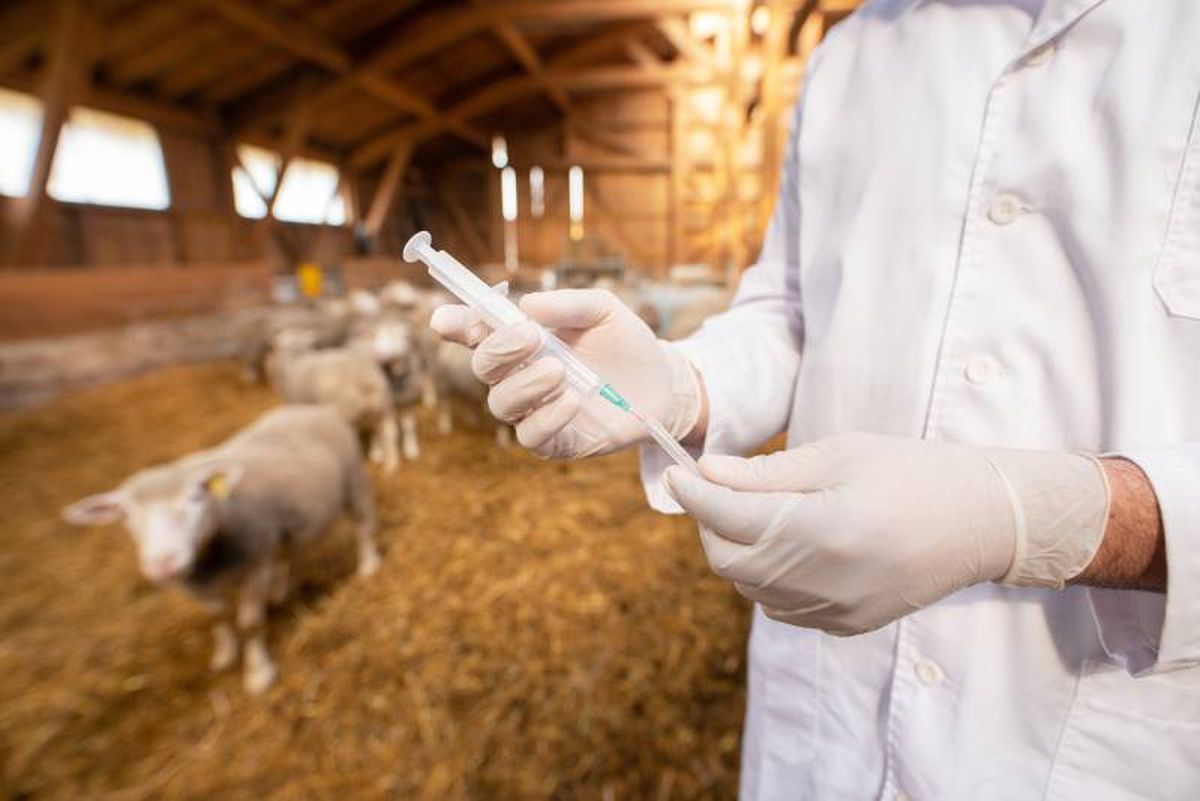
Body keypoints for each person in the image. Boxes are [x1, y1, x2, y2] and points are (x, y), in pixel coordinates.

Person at [432, 1, 1200, 797]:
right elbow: (794, 308)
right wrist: (682, 382)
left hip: (1090, 734)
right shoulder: (852, 50)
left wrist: (1042, 518)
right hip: (823, 723)